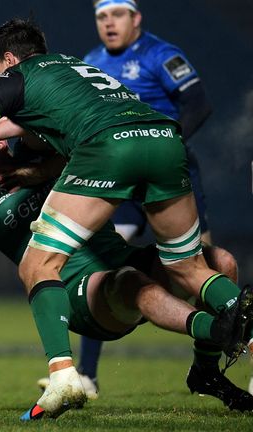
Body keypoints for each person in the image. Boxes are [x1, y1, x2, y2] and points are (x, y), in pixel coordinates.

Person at [0, 18, 252, 418]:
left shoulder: (20, 93)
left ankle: (74, 375)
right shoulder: (71, 72)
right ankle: (231, 327)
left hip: (112, 150)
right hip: (160, 137)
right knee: (180, 270)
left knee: (218, 261)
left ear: (10, 60)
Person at [0, 139, 253, 417]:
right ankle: (221, 329)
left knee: (220, 260)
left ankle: (205, 371)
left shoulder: (43, 158)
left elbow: (70, 143)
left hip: (121, 257)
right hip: (79, 294)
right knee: (130, 283)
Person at [67, 0, 216, 393]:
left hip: (169, 174)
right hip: (119, 177)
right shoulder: (91, 61)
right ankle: (87, 375)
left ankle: (210, 366)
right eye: (102, 16)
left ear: (135, 18)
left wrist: (165, 143)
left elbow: (198, 103)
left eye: (117, 14)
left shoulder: (160, 54)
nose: (109, 23)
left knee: (204, 266)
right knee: (100, 264)